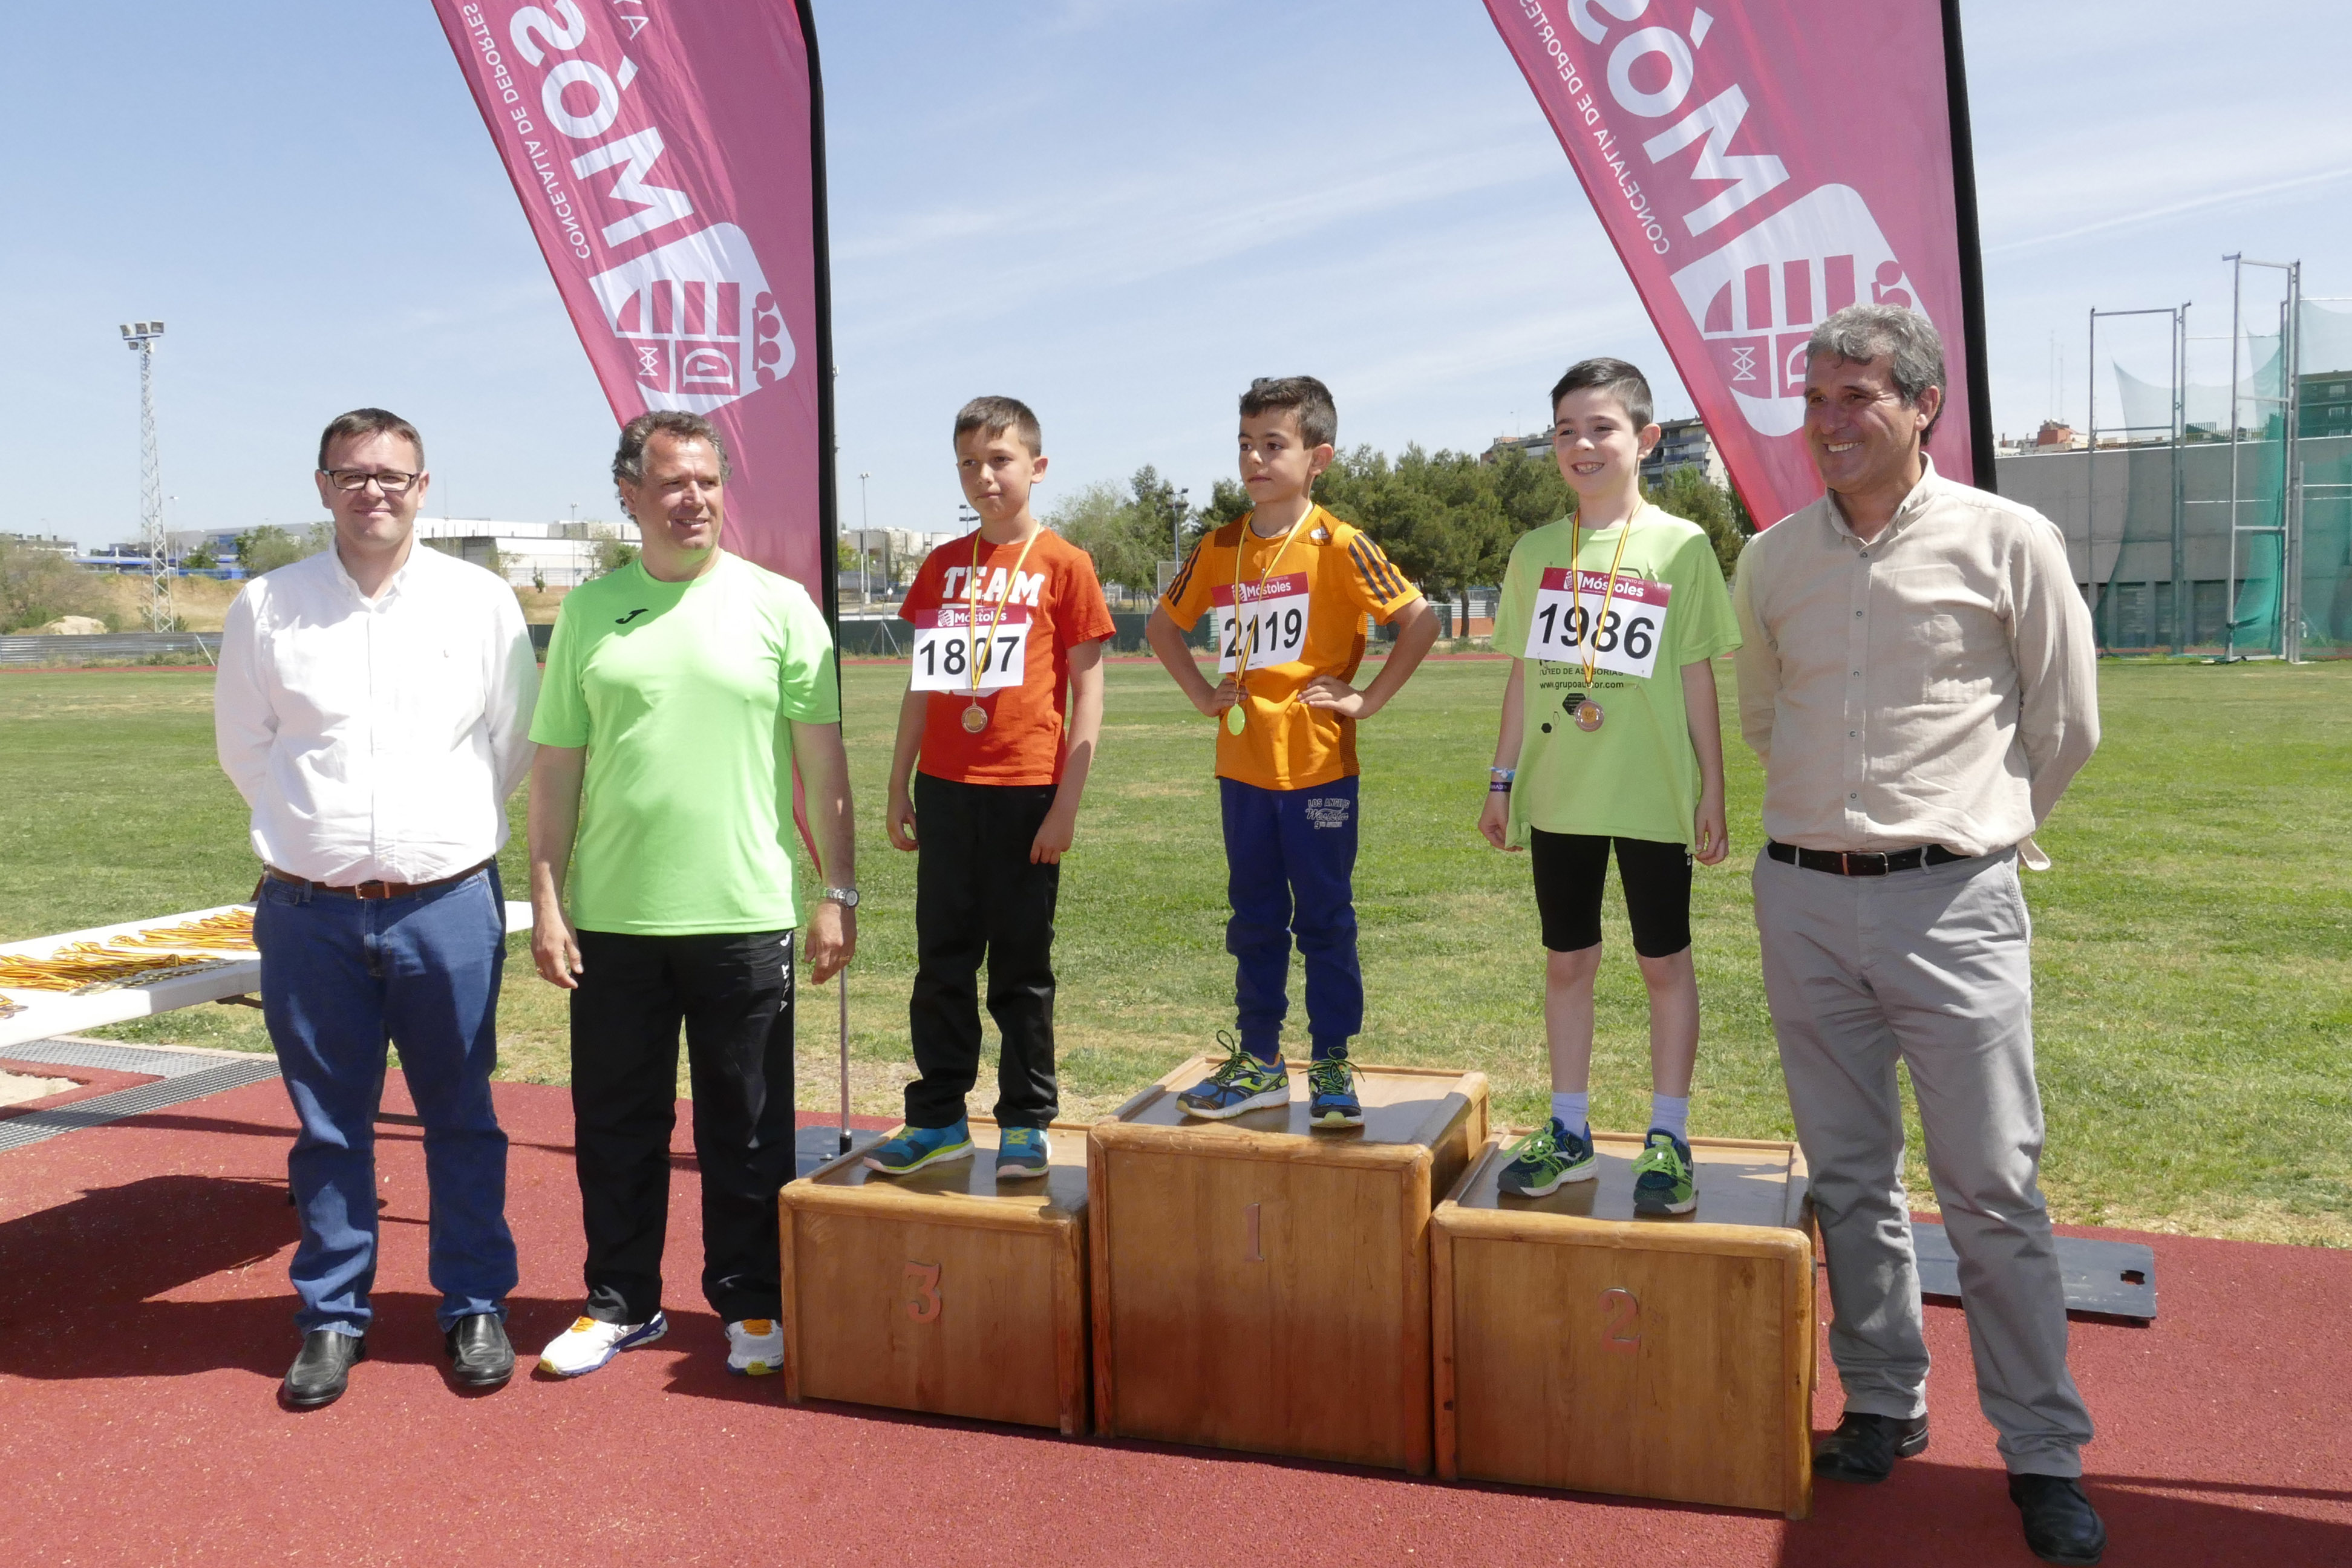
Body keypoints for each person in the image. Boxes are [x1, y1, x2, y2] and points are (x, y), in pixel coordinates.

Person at [1733, 304, 2105, 1567]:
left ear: (1923, 404)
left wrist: (1981, 832)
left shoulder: (2010, 540)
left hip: (1954, 903)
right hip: (1802, 898)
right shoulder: (1770, 559)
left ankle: (2041, 1449)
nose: (1828, 422)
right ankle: (1883, 1399)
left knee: (1991, 1186)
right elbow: (1763, 719)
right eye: (1815, 399)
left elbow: (2068, 724)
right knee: (1847, 1175)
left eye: (1858, 397)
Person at [215, 407, 538, 1408]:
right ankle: (331, 1315)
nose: (373, 491)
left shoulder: (478, 602)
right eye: (352, 474)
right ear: (322, 486)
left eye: (392, 475)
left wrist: (429, 838)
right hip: (308, 910)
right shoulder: (267, 605)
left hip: (448, 904)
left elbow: (511, 740)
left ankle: (474, 1302)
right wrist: (320, 838)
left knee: (462, 1115)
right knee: (328, 1127)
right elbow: (246, 746)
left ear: (423, 488)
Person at [526, 410, 856, 1382]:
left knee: (747, 1127)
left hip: (745, 915)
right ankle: (621, 1302)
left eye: (708, 481)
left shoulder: (781, 605)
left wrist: (837, 890)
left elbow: (822, 765)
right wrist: (546, 897)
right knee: (616, 1124)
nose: (694, 499)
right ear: (630, 495)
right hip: (614, 919)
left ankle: (751, 1300)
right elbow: (556, 769)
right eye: (673, 482)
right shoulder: (589, 612)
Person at [1478, 359, 1738, 1215]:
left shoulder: (1682, 546)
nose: (1582, 445)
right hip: (1563, 794)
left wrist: (1712, 788)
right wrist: (1502, 780)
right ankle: (1569, 1131)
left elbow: (1697, 674)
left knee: (1664, 962)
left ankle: (1669, 1137)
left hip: (1652, 792)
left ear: (1646, 439)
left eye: (1602, 428)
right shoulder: (1535, 552)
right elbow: (1522, 678)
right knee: (1568, 961)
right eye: (1566, 431)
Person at [1146, 376, 1439, 1125]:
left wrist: (1366, 699)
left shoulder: (1341, 543)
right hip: (1243, 769)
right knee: (1253, 917)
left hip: (1318, 770)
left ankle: (1333, 1062)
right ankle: (1261, 1060)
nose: (1255, 458)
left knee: (1326, 919)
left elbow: (1420, 620)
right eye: (1245, 444)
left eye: (1273, 444)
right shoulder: (1219, 546)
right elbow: (1161, 628)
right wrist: (1200, 694)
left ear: (1318, 457)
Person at [863, 397, 1114, 1178]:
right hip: (945, 788)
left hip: (1026, 793)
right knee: (941, 962)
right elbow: (921, 685)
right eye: (968, 463)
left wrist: (1066, 805)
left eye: (1000, 460)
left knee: (1021, 970)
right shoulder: (943, 565)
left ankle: (1026, 1121)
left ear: (1037, 467)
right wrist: (899, 784)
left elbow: (1090, 693)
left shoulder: (1064, 564)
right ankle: (939, 1117)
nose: (984, 476)